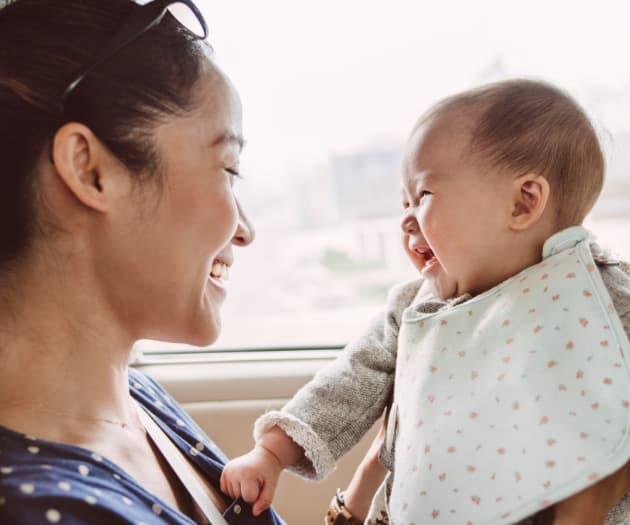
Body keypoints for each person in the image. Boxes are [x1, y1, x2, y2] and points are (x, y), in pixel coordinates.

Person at [220, 79, 630, 524]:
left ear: (522, 203)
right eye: (405, 202)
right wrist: (270, 454)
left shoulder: (601, 299)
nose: (406, 221)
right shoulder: (416, 308)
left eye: (425, 195)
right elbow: (348, 382)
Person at [0, 0, 285, 523]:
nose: (244, 230)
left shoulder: (137, 400)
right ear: (90, 171)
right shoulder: (33, 510)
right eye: (229, 169)